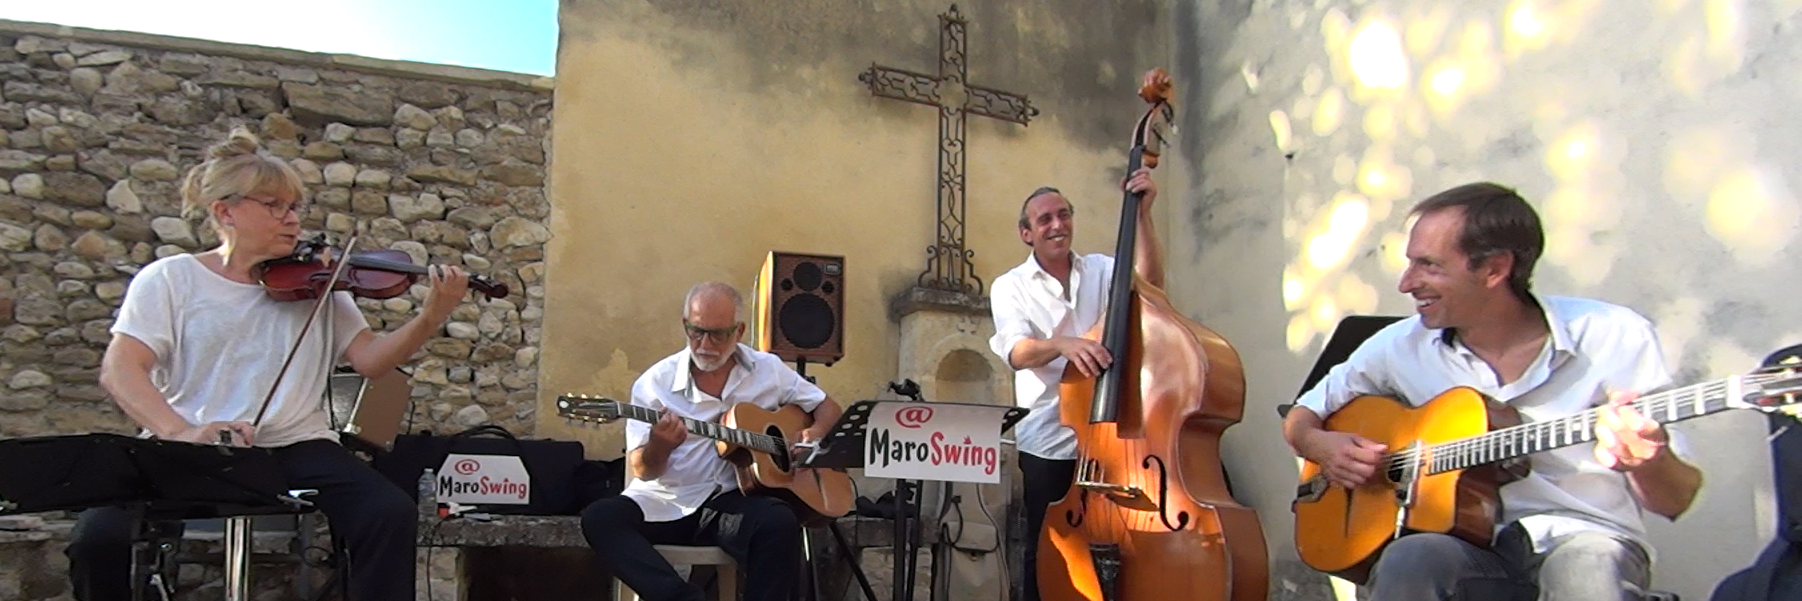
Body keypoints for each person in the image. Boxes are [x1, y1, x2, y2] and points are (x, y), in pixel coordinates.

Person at [67, 127, 470, 601]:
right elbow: (121, 369)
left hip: (295, 446)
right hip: (190, 442)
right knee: (98, 536)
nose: (292, 220)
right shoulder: (171, 279)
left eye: (295, 207)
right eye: (274, 206)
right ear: (225, 211)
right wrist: (179, 431)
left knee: (387, 511)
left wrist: (432, 315)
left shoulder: (317, 286)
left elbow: (371, 361)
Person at [1282, 182, 1704, 600]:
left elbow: (1674, 500)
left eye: (1429, 266)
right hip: (1461, 545)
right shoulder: (1398, 346)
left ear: (1494, 269)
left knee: (1587, 571)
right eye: (1409, 264)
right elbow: (1303, 417)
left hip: (1585, 537)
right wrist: (1323, 446)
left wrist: (1649, 459)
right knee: (1411, 560)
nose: (1406, 283)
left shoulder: (1613, 335)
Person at [580, 282, 844, 601]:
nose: (705, 344)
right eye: (696, 332)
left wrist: (813, 434)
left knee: (780, 521)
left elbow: (827, 407)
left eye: (718, 334)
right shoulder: (654, 383)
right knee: (600, 518)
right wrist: (659, 446)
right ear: (685, 326)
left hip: (730, 503)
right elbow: (643, 470)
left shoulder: (768, 370)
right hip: (665, 500)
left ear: (739, 330)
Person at [986, 167, 1163, 601]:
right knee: (1049, 547)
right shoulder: (1010, 286)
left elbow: (1152, 283)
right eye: (1044, 219)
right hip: (1049, 435)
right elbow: (1016, 352)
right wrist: (1063, 344)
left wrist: (1142, 215)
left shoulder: (1103, 270)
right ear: (1026, 233)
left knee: (1125, 539)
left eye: (1063, 215)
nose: (1057, 225)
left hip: (1114, 431)